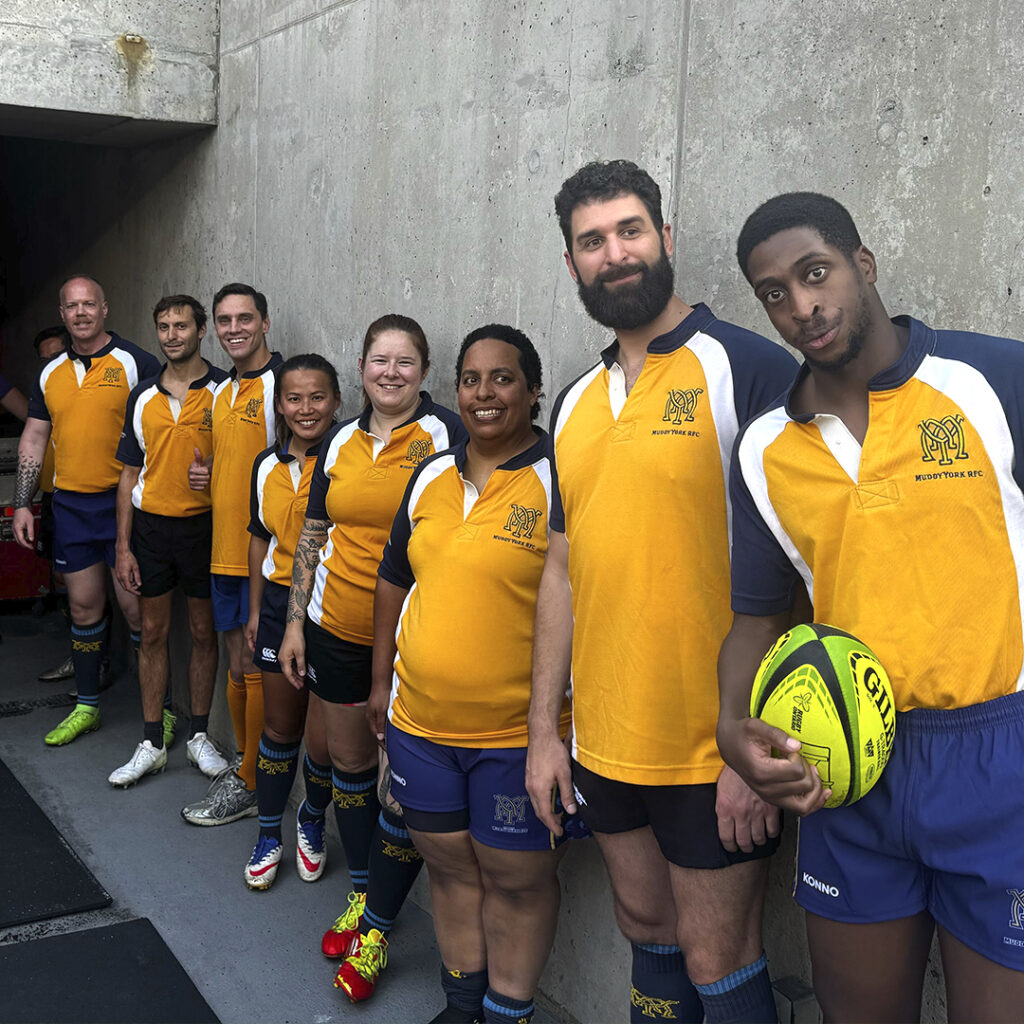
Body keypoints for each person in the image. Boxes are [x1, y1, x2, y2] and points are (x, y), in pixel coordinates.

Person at [719, 191, 1024, 1023]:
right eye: (773, 292)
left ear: (863, 265)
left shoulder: (992, 379)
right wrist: (728, 729)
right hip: (848, 764)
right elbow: (756, 616)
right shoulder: (763, 448)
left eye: (814, 273)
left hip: (1000, 758)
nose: (800, 305)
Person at [525, 160, 796, 1024]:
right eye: (593, 241)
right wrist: (545, 733)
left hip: (712, 744)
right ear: (572, 264)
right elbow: (562, 570)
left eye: (631, 230)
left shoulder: (748, 368)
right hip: (605, 738)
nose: (616, 254)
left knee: (723, 954)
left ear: (666, 238)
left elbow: (806, 565)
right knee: (647, 927)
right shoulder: (572, 402)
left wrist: (755, 745)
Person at [369, 324, 572, 1024]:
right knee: (450, 867)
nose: (484, 394)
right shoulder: (430, 471)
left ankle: (507, 1012)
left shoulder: (562, 477)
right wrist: (378, 683)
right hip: (419, 726)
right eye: (471, 379)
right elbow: (394, 579)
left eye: (503, 378)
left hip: (517, 735)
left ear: (534, 389)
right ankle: (462, 1008)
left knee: (518, 879)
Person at [277, 314, 464, 1001]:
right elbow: (312, 534)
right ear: (361, 368)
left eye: (405, 361)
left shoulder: (446, 436)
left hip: (413, 643)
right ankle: (362, 899)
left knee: (399, 788)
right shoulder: (339, 442)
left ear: (424, 370)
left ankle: (380, 924)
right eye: (379, 360)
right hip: (333, 629)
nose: (391, 372)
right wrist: (296, 623)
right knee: (351, 768)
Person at [13, 276, 159, 744]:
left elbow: (163, 428)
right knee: (82, 606)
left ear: (105, 308)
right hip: (70, 506)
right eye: (72, 306)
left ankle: (158, 713)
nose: (81, 313)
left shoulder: (137, 362)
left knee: (136, 611)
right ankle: (87, 706)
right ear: (62, 313)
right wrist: (23, 503)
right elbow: (35, 438)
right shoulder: (49, 372)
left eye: (89, 305)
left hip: (123, 507)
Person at [108, 295, 229, 786]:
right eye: (164, 326)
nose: (172, 334)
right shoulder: (141, 395)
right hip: (152, 529)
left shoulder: (225, 391)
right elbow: (128, 474)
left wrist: (213, 476)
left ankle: (199, 736)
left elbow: (245, 466)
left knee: (203, 634)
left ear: (202, 331)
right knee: (153, 634)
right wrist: (122, 546)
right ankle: (152, 742)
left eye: (182, 325)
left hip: (205, 530)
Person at [181, 283, 282, 826]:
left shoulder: (281, 388)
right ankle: (246, 770)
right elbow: (228, 466)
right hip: (221, 551)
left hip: (260, 558)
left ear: (265, 323)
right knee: (236, 663)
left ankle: (250, 778)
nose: (234, 328)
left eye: (245, 318)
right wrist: (207, 475)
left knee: (253, 663)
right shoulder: (220, 392)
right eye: (224, 320)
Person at [242, 353, 341, 889]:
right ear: (279, 405)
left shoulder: (348, 456)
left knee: (323, 743)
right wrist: (257, 612)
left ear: (338, 402)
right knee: (279, 727)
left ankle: (311, 819)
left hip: (332, 607)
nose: (306, 409)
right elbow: (259, 537)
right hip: (281, 604)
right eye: (294, 398)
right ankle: (267, 833)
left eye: (317, 397)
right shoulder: (266, 464)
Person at [31, 325, 76, 684]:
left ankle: (93, 658)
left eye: (57, 355)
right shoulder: (46, 389)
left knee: (84, 584)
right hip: (52, 495)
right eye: (44, 359)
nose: (51, 364)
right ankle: (76, 651)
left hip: (83, 497)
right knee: (61, 577)